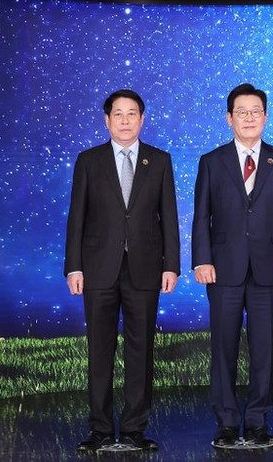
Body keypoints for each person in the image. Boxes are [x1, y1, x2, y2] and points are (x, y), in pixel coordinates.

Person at [64, 89, 180, 453]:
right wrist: (73, 267)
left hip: (146, 269)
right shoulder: (89, 160)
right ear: (107, 120)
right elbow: (76, 219)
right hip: (98, 269)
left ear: (142, 119)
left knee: (140, 350)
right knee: (99, 351)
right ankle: (99, 430)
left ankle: (133, 429)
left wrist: (172, 265)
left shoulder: (159, 161)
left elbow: (169, 219)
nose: (126, 120)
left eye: (132, 114)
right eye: (118, 114)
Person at [192, 83, 273, 449]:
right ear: (229, 118)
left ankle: (257, 420)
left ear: (266, 117)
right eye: (242, 111)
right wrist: (202, 260)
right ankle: (226, 421)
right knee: (222, 346)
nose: (249, 117)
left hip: (269, 269)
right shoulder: (211, 161)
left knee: (263, 348)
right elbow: (201, 216)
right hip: (222, 269)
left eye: (256, 111)